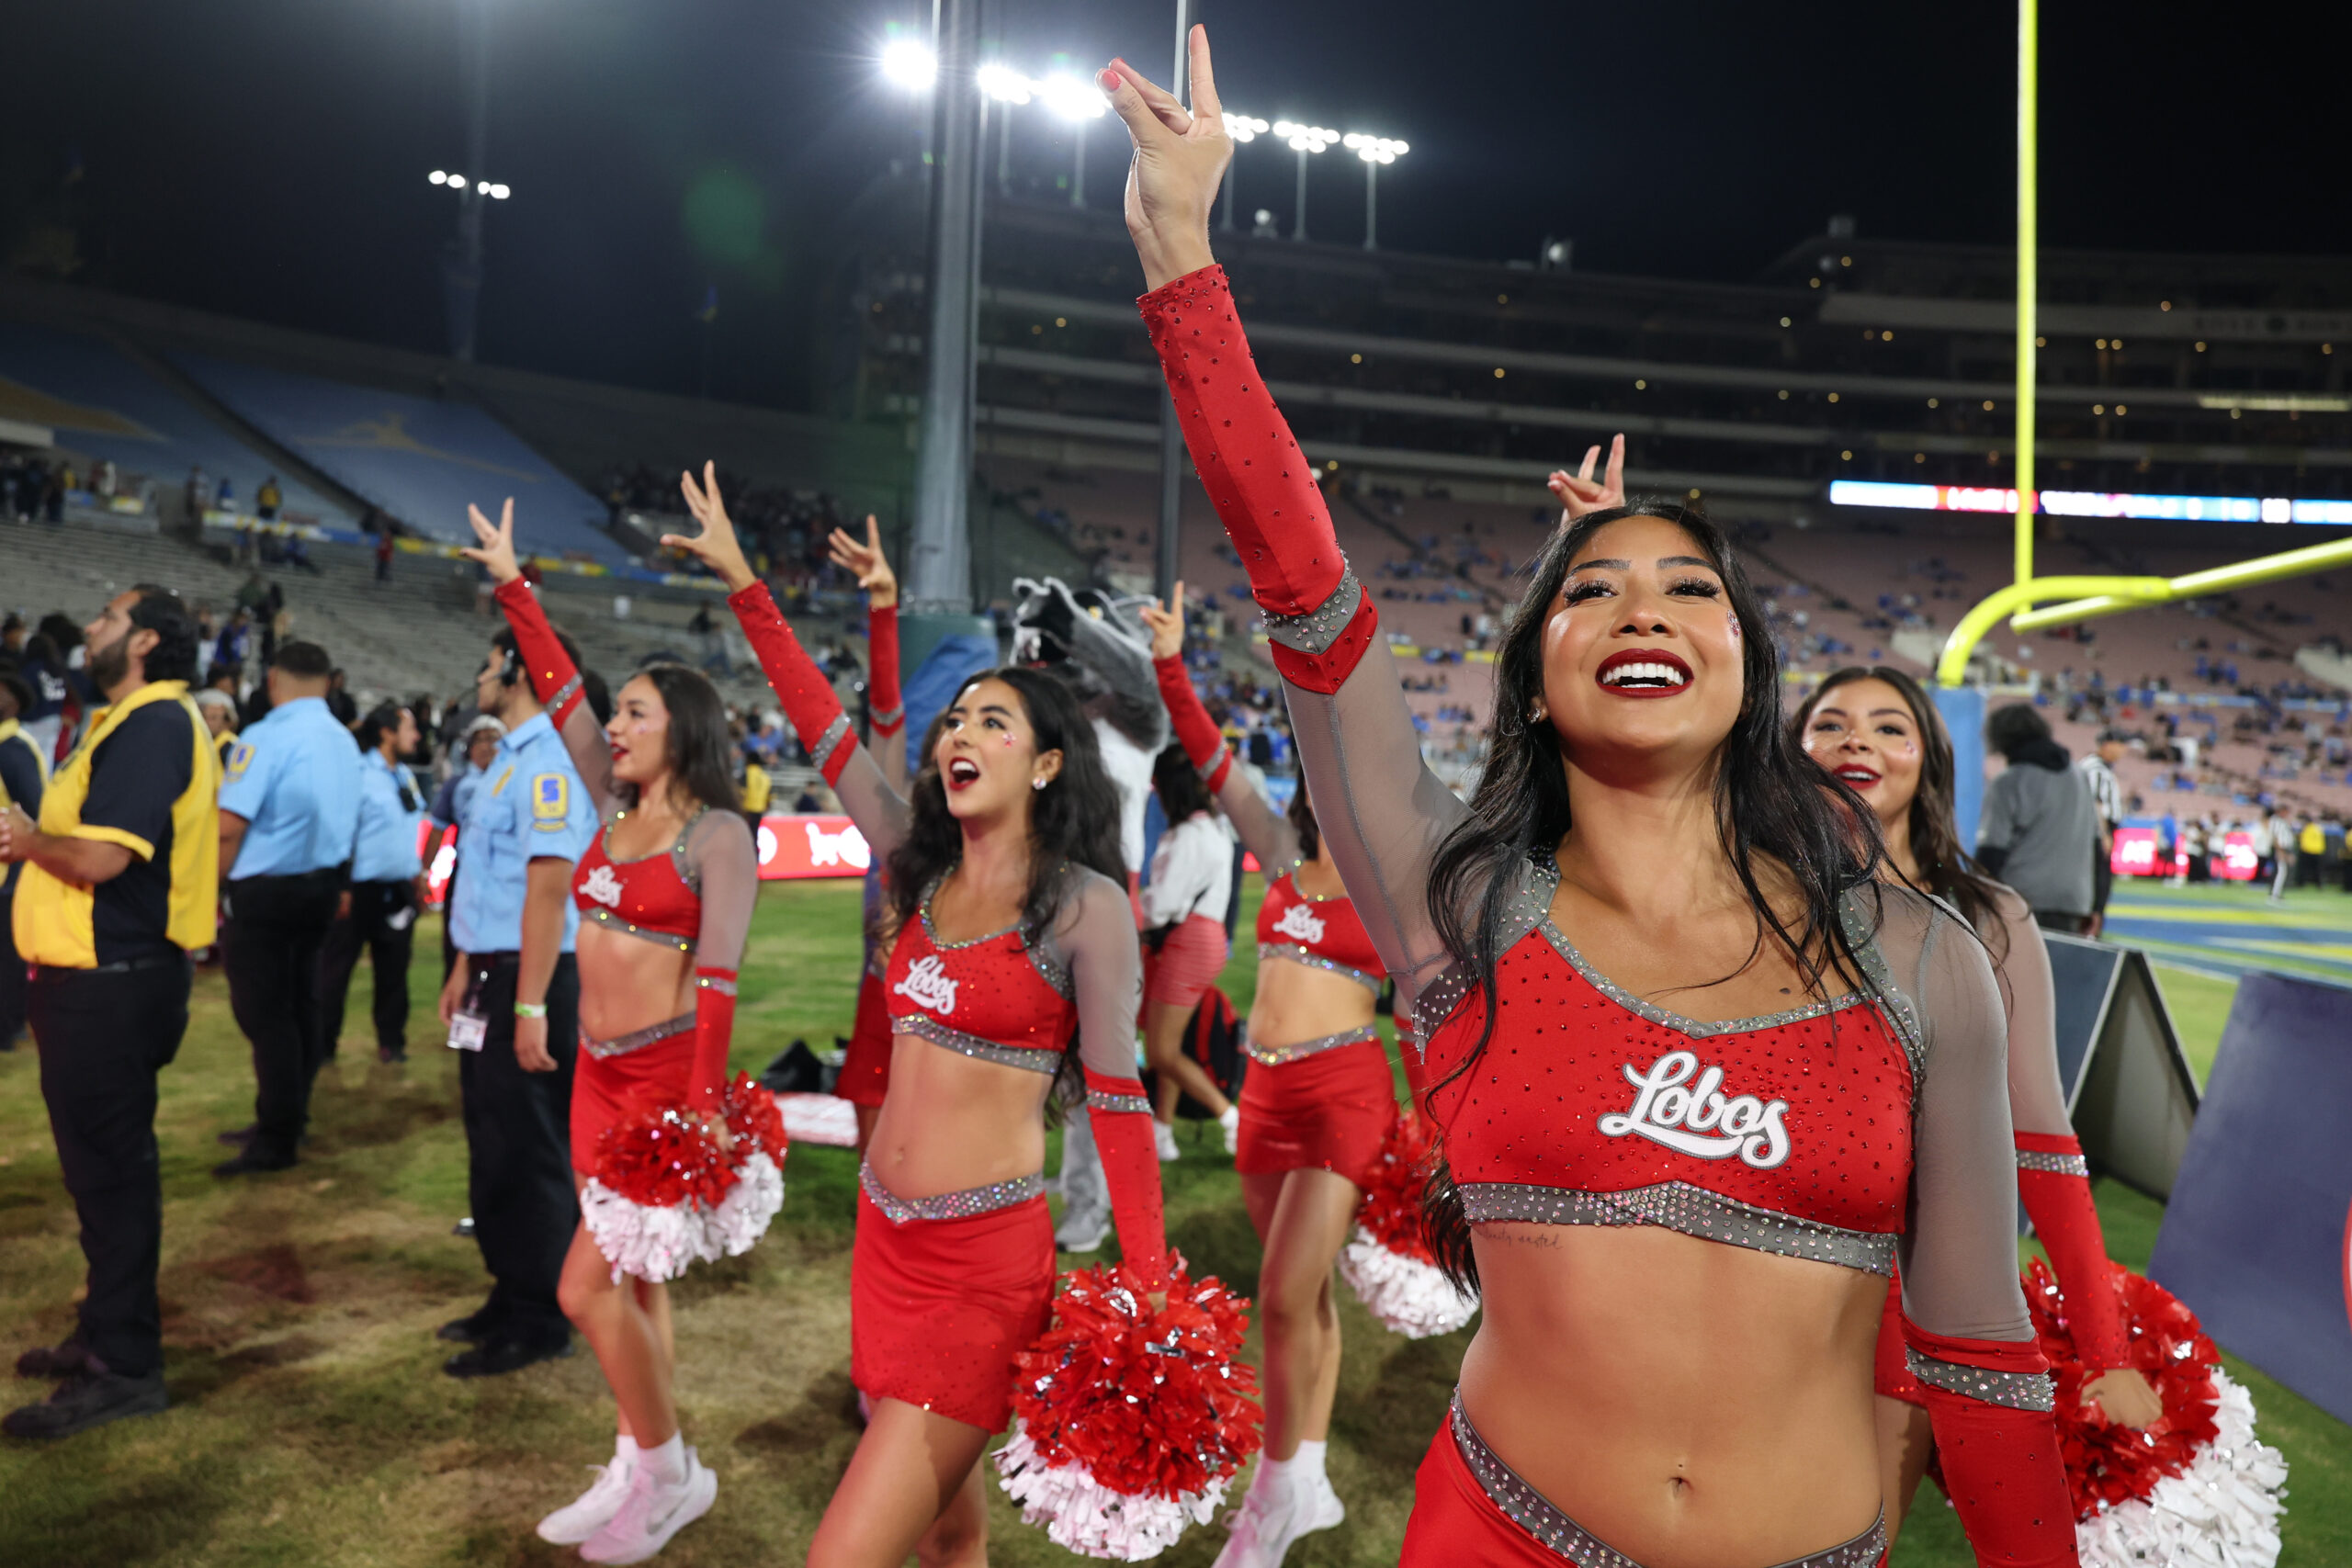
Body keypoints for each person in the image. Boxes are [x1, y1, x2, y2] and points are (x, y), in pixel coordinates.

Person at [1104, 33, 2075, 1565]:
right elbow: (1306, 592)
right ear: (1536, 672)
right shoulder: (1459, 905)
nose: (1640, 608)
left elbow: (1979, 1346)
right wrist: (1182, 256)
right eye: (1591, 590)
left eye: (1691, 587)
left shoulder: (1921, 956)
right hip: (1495, 1531)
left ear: (1748, 672)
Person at [667, 463, 1170, 1568]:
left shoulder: (1088, 908)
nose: (959, 732)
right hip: (881, 1242)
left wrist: (1145, 1283)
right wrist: (749, 582)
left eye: (991, 721)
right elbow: (824, 726)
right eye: (955, 719)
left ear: (1044, 763)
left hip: (984, 1272)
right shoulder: (912, 871)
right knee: (948, 1533)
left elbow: (1122, 1101)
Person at [1793, 667, 2165, 1545]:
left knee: (1851, 1542)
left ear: (1929, 764)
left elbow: (2042, 1139)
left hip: (1914, 1300)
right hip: (1768, 1292)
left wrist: (2106, 1352)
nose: (1858, 741)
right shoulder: (1753, 901)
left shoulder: (1988, 915)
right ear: (1790, 752)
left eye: (1891, 728)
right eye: (1831, 724)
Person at [465, 498, 758, 1562]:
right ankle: (642, 1458)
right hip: (596, 1073)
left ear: (681, 725)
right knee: (632, 1283)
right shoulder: (609, 798)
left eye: (634, 713)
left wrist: (700, 1110)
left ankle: (671, 1469)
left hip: (662, 1092)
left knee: (579, 1284)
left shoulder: (717, 834)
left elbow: (718, 984)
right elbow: (555, 682)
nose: (614, 726)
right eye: (615, 714)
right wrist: (512, 580)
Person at [1145, 583, 1390, 1566]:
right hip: (1266, 1094)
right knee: (1309, 1300)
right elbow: (1208, 754)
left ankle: (1273, 1496)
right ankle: (1313, 1476)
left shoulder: (1390, 881)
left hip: (1344, 1096)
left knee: (1283, 1297)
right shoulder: (1282, 855)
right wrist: (1170, 663)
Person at [1, 586, 218, 1439]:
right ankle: (104, 1334)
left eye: (108, 617)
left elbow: (95, 856)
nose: (90, 625)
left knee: (114, 1178)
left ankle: (125, 1365)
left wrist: (24, 838)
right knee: (100, 1175)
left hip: (113, 983)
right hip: (98, 979)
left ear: (145, 640)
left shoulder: (156, 723)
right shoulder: (128, 719)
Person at [435, 609, 599, 1380]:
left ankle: (541, 1313)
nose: (479, 677)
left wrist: (529, 1002)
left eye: (489, 662)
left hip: (533, 972)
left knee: (529, 1143)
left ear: (516, 669)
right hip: (497, 966)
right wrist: (466, 966)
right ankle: (509, 1287)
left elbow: (547, 885)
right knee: (491, 1133)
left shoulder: (547, 761)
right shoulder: (512, 757)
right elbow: (489, 880)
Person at [214, 641, 364, 1177]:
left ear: (273, 679)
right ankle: (286, 1117)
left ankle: (276, 1137)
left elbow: (229, 825)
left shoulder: (266, 737)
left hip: (267, 891)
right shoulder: (345, 743)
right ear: (327, 682)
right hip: (319, 889)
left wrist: (209, 889)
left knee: (267, 1015)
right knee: (300, 1006)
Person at [824, 515, 908, 1152]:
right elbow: (885, 719)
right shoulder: (899, 823)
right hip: (884, 999)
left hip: (946, 1017)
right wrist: (883, 609)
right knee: (876, 1173)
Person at [1139, 739, 1238, 1156]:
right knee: (1169, 1043)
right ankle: (1163, 1133)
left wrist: (1127, 911)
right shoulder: (1210, 829)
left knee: (1160, 1050)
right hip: (1203, 939)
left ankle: (1230, 1117)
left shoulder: (1187, 836)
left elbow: (1160, 907)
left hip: (1189, 941)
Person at [318, 704, 427, 1066]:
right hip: (359, 889)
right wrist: (343, 886)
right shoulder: (359, 774)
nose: (417, 736)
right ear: (387, 732)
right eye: (409, 728)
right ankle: (323, 1046)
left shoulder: (405, 777)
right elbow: (342, 832)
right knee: (336, 971)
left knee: (394, 971)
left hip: (398, 888)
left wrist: (416, 876)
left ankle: (392, 1043)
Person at [1977, 703, 2098, 934]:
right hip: (2075, 902)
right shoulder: (2079, 776)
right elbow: (2096, 847)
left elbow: (1991, 853)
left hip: (2021, 902)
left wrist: (1974, 901)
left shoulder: (2009, 781)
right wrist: (2097, 905)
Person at [430, 716, 507, 979]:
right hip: (465, 874)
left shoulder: (515, 781)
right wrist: (422, 872)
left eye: (493, 739)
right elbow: (438, 827)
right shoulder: (457, 784)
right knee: (456, 943)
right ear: (469, 748)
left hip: (504, 877)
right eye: (480, 740)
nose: (486, 746)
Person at [0, 663, 49, 1050]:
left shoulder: (13, 750)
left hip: (10, 871)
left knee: (7, 955)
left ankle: (10, 1025)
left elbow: (34, 809)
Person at [2076, 728, 2125, 935]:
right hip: (2095, 833)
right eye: (2119, 745)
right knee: (2098, 885)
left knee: (2097, 884)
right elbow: (2096, 803)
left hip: (2093, 832)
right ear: (2107, 744)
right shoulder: (2095, 769)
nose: (2123, 750)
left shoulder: (2098, 767)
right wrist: (2104, 834)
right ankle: (2091, 932)